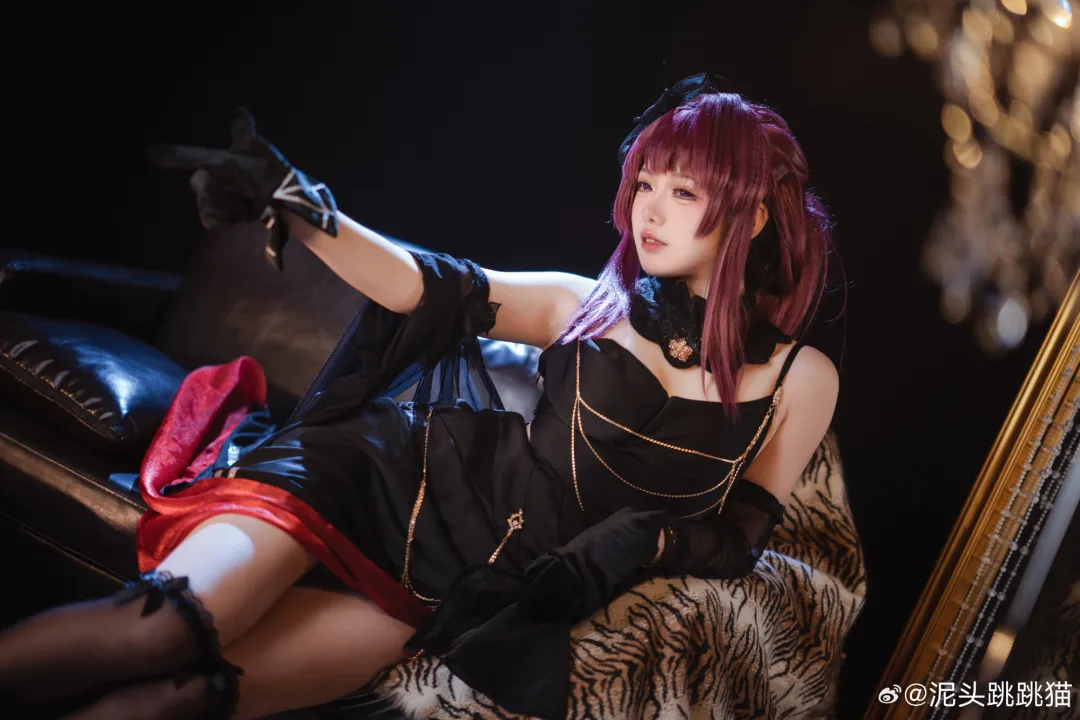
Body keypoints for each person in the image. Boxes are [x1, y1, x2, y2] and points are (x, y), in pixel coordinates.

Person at [0, 72, 842, 720]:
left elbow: (739, 538)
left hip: (451, 587)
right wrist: (302, 206)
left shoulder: (801, 379)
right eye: (645, 183)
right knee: (157, 630)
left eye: (682, 192)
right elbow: (423, 283)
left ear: (751, 218)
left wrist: (642, 542)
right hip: (367, 477)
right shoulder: (584, 304)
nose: (649, 211)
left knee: (185, 703)